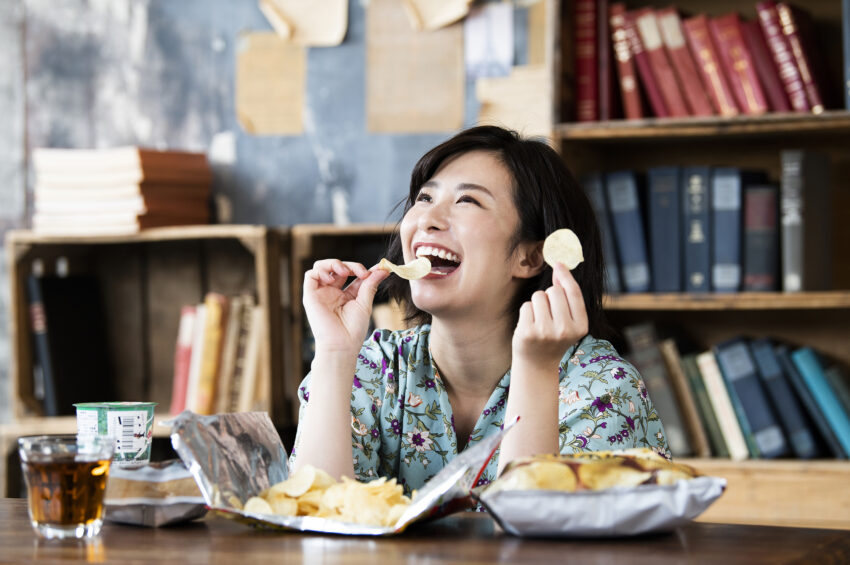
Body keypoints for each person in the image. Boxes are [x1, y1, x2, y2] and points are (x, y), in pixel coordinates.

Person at [291, 125, 669, 494]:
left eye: (467, 200)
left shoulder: (601, 390)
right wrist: (335, 353)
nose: (427, 219)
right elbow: (316, 517)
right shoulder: (371, 368)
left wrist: (537, 369)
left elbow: (536, 545)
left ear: (530, 257)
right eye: (424, 198)